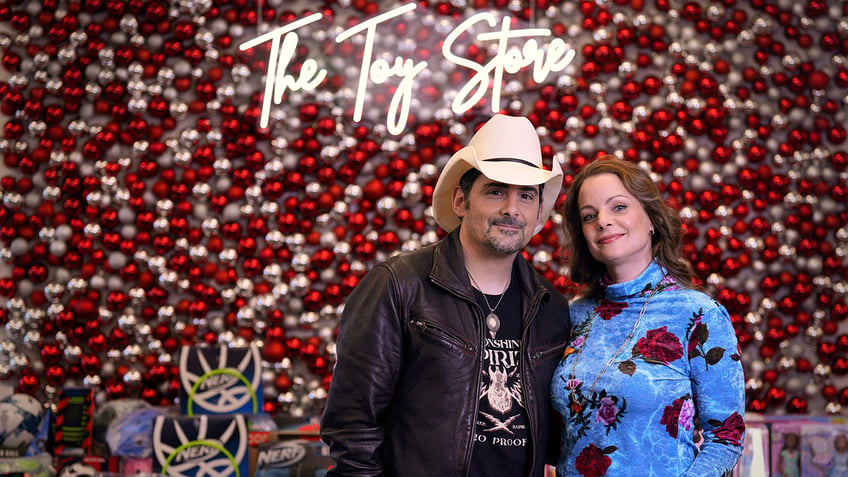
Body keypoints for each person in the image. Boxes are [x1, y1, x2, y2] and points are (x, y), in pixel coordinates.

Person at [319, 113, 571, 477]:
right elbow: (353, 421)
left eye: (526, 196)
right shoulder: (399, 285)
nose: (511, 209)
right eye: (496, 190)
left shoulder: (550, 306)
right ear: (460, 201)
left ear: (537, 213)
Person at [550, 156, 745, 476]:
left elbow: (726, 436)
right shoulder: (575, 316)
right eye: (589, 215)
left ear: (652, 219)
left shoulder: (698, 314)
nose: (603, 221)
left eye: (619, 207)